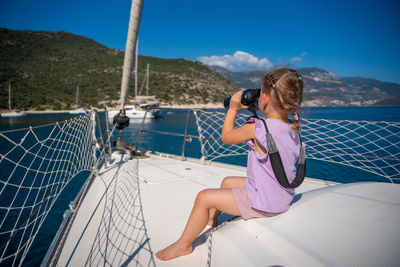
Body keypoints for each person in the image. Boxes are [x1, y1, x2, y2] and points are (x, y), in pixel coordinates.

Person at [155, 68, 304, 261]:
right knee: (227, 181)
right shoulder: (293, 128)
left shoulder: (257, 128)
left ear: (265, 99)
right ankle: (210, 218)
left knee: (203, 197)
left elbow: (226, 137)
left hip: (265, 203)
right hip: (282, 196)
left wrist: (233, 108)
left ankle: (183, 245)